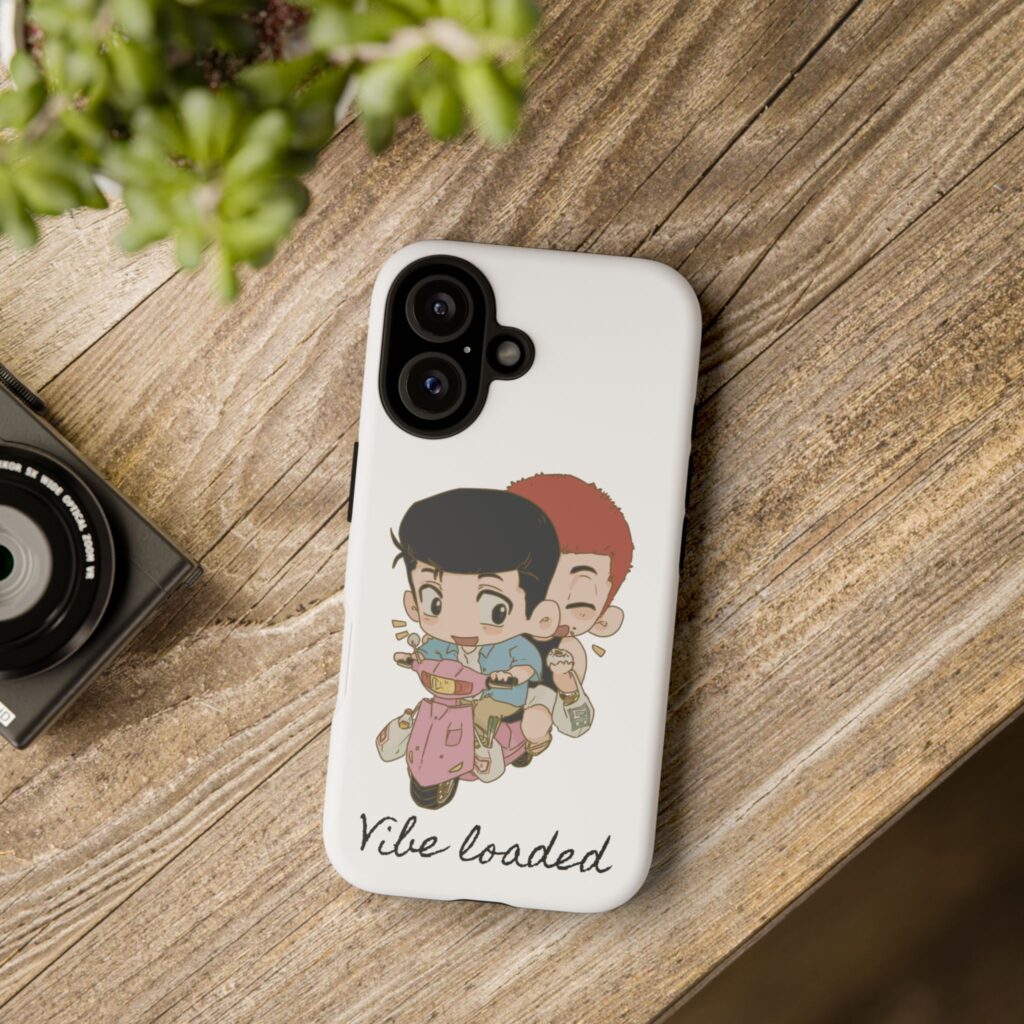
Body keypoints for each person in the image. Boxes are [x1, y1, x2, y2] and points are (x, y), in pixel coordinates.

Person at [391, 488, 561, 764]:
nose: (461, 623)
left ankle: (481, 748)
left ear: (541, 618)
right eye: (435, 602)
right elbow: (427, 654)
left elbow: (527, 667)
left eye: (495, 609)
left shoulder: (515, 645)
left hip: (502, 698)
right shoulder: (441, 643)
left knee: (481, 712)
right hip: (454, 696)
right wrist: (413, 659)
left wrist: (511, 675)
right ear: (413, 605)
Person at [507, 474, 634, 755]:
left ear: (604, 620)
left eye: (579, 606)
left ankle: (534, 741)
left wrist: (567, 686)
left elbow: (577, 725)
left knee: (536, 717)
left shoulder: (567, 649)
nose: (549, 613)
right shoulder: (492, 632)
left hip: (533, 712)